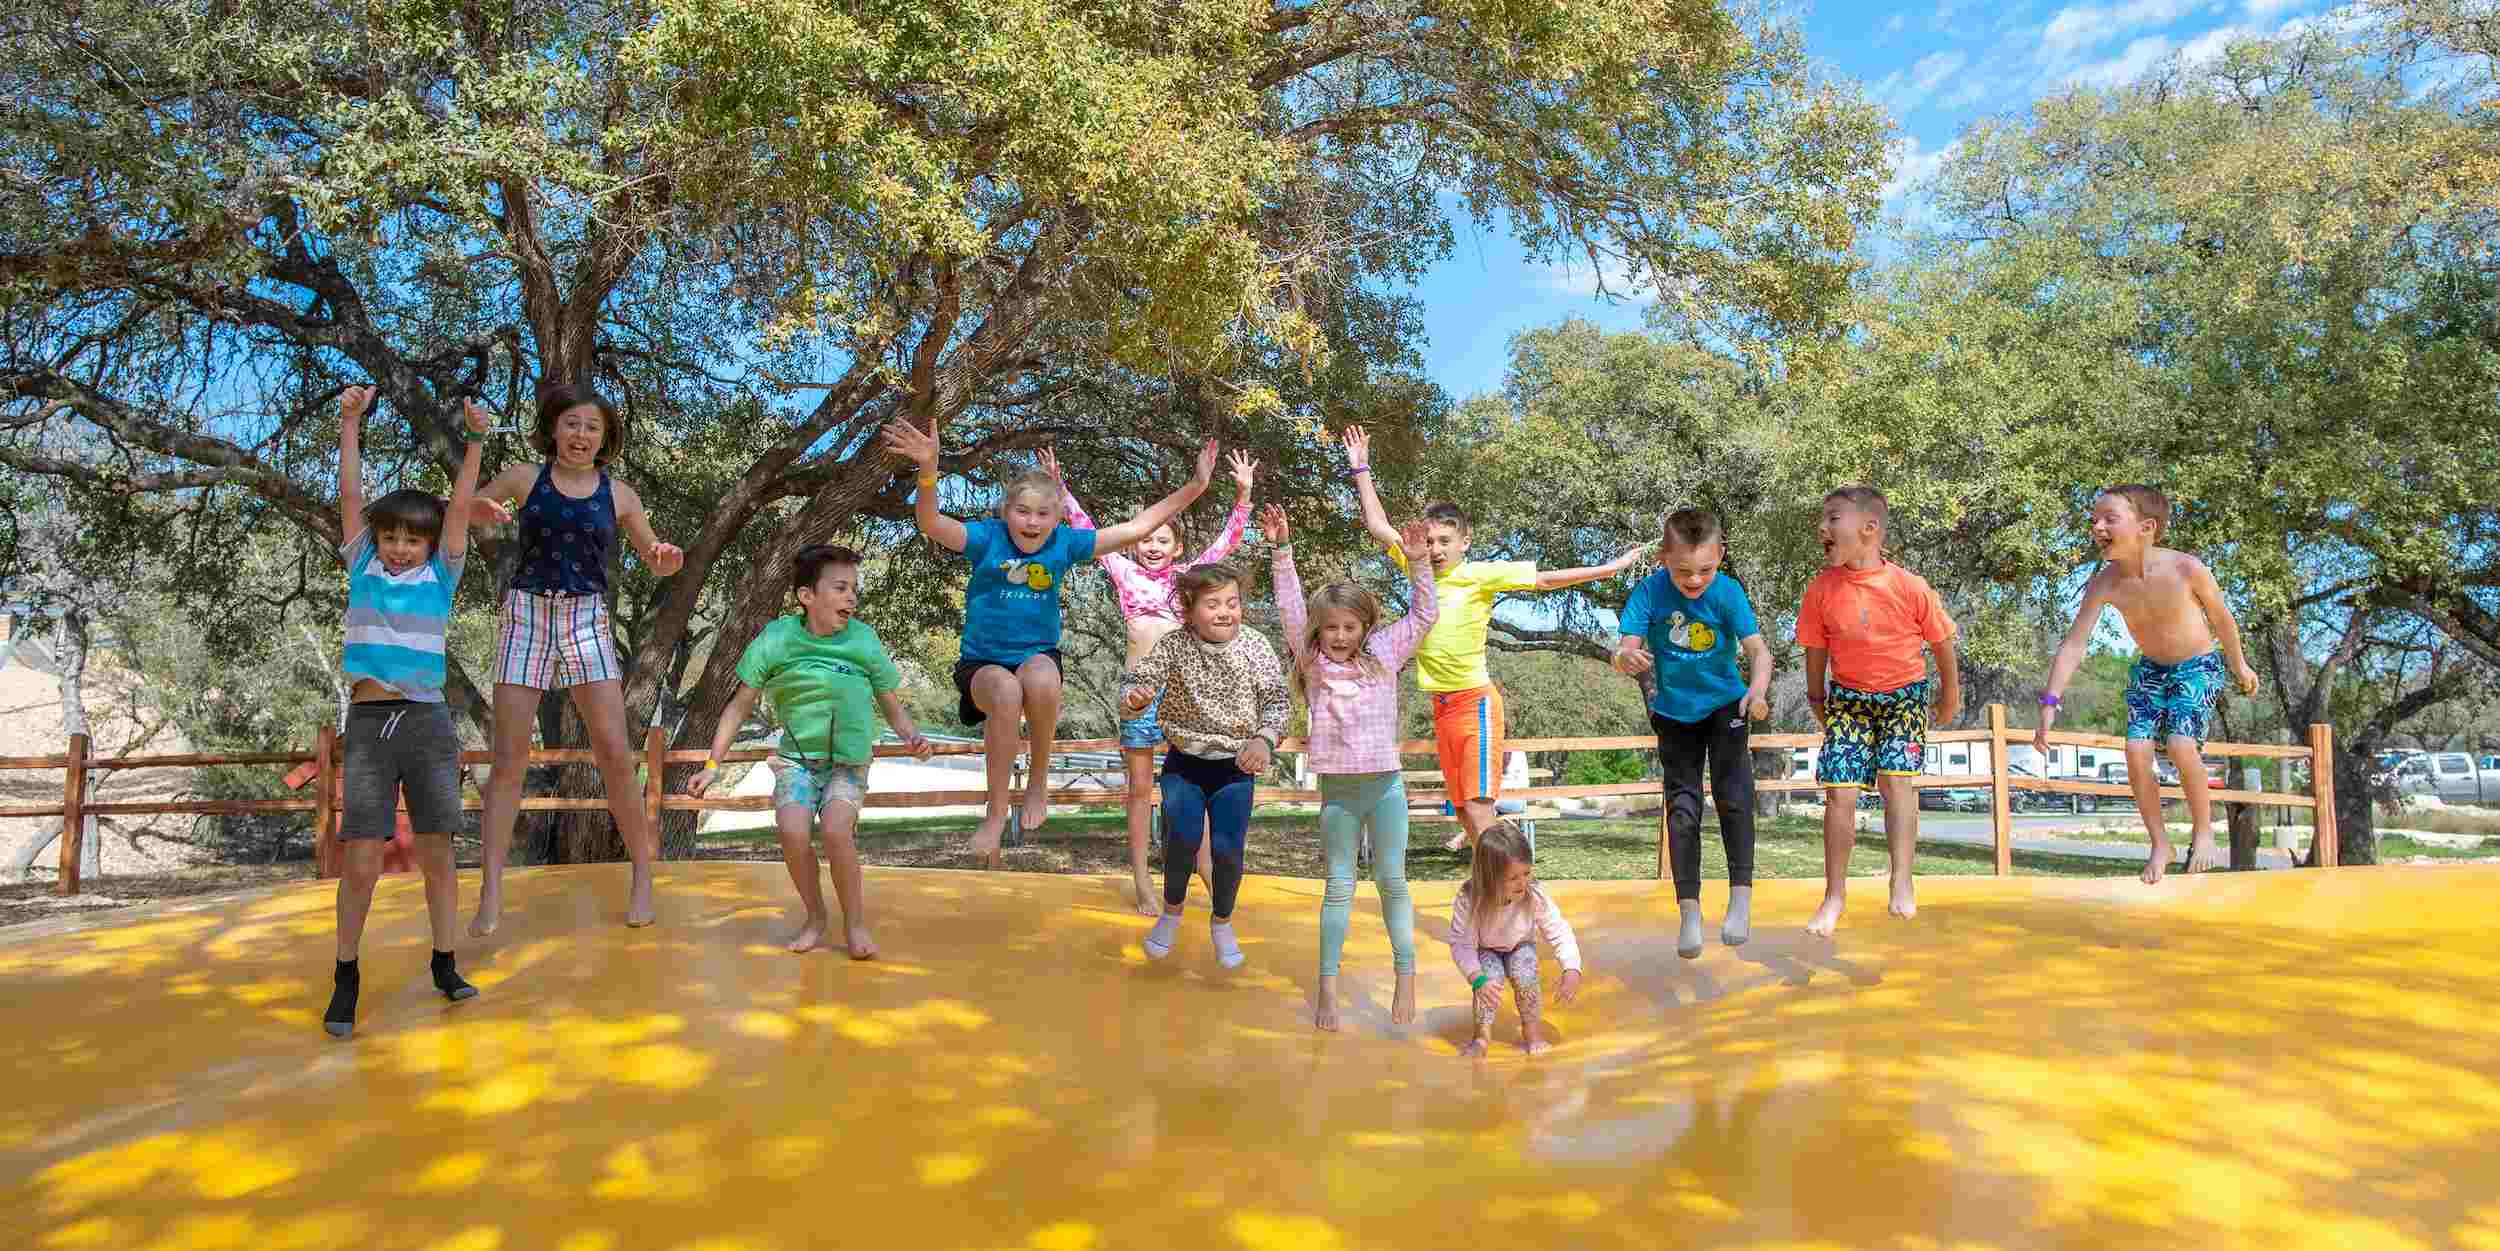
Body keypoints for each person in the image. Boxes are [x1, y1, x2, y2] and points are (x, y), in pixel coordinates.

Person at [881, 418, 1214, 865]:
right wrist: (928, 470)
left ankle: (1038, 781)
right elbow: (931, 522)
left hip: (1036, 655)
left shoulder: (1064, 543)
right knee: (1005, 690)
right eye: (1023, 511)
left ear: (1057, 518)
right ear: (1006, 513)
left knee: (1039, 679)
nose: (1032, 522)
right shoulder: (987, 538)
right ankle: (997, 811)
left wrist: (1195, 484)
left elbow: (1138, 527)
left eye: (1043, 513)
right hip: (982, 663)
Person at [1342, 425, 1644, 851]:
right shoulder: (1416, 566)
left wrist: (1607, 569)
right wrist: (1360, 467)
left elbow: (1543, 580)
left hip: (1475, 703)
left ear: (1465, 541)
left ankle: (1515, 887)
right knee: (1462, 809)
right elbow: (1377, 524)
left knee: (1480, 808)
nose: (1436, 549)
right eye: (1429, 541)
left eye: (1445, 541)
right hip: (1442, 707)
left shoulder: (1478, 575)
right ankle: (1499, 881)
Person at [468, 384, 684, 935]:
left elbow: (655, 560)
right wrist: (480, 506)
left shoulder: (621, 496)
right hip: (526, 613)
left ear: (604, 435)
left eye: (591, 426)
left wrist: (665, 558)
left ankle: (642, 875)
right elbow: (468, 512)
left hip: (586, 618)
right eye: (570, 424)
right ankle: (491, 888)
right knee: (510, 757)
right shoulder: (524, 477)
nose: (580, 434)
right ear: (553, 430)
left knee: (614, 750)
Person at [323, 386, 490, 1038]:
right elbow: (349, 498)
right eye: (389, 536)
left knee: (439, 851)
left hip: (426, 721)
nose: (397, 547)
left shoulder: (440, 576)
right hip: (369, 724)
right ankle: (346, 973)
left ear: (427, 546)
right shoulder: (362, 566)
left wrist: (475, 441)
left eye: (409, 539)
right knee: (360, 861)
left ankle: (445, 962)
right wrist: (349, 423)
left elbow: (457, 519)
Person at [687, 545, 934, 958]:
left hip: (848, 763)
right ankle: (816, 916)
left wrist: (911, 736)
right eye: (840, 588)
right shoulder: (778, 638)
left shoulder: (863, 640)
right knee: (792, 831)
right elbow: (739, 705)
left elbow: (890, 703)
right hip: (797, 761)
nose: (851, 597)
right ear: (807, 596)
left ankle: (855, 927)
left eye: (854, 589)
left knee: (837, 830)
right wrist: (713, 764)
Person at [1040, 446, 1257, 914]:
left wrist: (1243, 495)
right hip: (1139, 694)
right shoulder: (1122, 570)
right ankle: (1142, 880)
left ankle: (1202, 867)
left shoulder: (1188, 580)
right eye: (1147, 539)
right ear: (1136, 543)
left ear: (1177, 548)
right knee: (1139, 791)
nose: (1153, 546)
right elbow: (1083, 528)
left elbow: (1227, 543)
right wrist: (1059, 488)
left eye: (1163, 540)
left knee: (1195, 782)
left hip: (1184, 698)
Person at [2034, 484, 2261, 884]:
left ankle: (2203, 831)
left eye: (2109, 519)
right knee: (2135, 750)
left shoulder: (2186, 569)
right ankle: (2160, 843)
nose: (2097, 527)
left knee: (2179, 743)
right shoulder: (2104, 583)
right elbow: (2075, 644)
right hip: (2151, 670)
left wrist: (2239, 666)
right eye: (2093, 520)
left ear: (2147, 527)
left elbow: (2223, 620)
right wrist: (2050, 701)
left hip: (2198, 665)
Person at [1270, 507, 1439, 1030]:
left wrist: (1418, 566)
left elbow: (1425, 616)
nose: (1339, 636)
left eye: (1349, 627)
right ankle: (1327, 987)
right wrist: (1282, 551)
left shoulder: (1385, 652)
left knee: (1393, 882)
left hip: (1386, 788)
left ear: (1366, 626)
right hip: (1339, 793)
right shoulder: (1312, 660)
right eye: (1330, 628)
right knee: (1338, 886)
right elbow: (1289, 609)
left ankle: (1405, 975)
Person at [1798, 486, 1960, 937]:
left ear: (1869, 529)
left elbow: (1942, 643)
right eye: (1823, 519)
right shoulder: (1821, 589)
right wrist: (1816, 700)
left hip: (1903, 697)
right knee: (1839, 794)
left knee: (1895, 782)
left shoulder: (1909, 586)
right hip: (1848, 699)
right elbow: (1815, 649)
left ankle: (1902, 879)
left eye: (1833, 519)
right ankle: (1834, 896)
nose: (1822, 528)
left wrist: (1949, 697)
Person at [1613, 507, 1773, 958]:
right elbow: (1626, 648)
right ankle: (1689, 911)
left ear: (1720, 556)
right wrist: (1624, 658)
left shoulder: (1727, 592)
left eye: (1705, 568)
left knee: (1734, 798)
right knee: (1682, 809)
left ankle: (1740, 899)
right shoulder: (1650, 591)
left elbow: (1759, 653)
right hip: (1674, 712)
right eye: (1683, 570)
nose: (1695, 580)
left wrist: (1756, 691)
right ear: (1664, 557)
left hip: (1726, 706)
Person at [1121, 564, 1292, 969]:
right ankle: (1172, 912)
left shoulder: (1254, 645)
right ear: (1189, 609)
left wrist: (1264, 740)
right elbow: (1137, 683)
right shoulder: (1175, 645)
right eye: (1212, 604)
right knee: (1181, 835)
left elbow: (1278, 701)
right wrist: (1136, 697)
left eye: (1232, 603)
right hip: (1185, 763)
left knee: (1228, 851)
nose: (1224, 612)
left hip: (1235, 766)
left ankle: (1222, 921)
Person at [1448, 821, 1582, 1057]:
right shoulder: (1471, 898)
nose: (1523, 882)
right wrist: (1476, 977)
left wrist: (1571, 968)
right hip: (1486, 948)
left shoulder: (1533, 893)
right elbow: (1461, 943)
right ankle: (1481, 1035)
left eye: (1527, 873)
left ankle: (1532, 1031)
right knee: (1489, 979)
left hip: (1520, 945)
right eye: (1513, 878)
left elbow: (1558, 929)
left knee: (1525, 971)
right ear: (1489, 878)